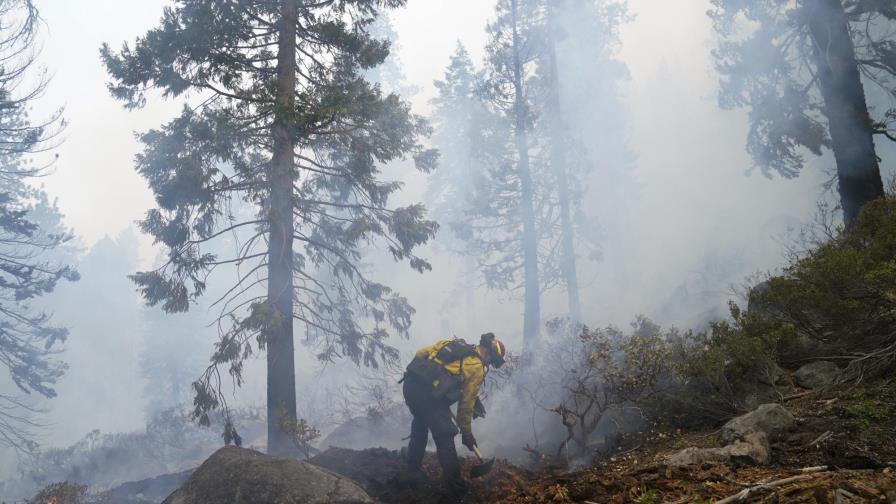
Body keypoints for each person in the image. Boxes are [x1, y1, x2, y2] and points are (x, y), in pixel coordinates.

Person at [401, 332, 506, 493]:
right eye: (491, 361)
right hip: (429, 397)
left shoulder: (454, 344)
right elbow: (466, 406)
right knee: (445, 434)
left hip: (410, 386)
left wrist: (431, 381)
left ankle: (411, 473)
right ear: (488, 354)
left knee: (420, 423)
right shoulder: (476, 367)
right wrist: (467, 434)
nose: (489, 364)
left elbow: (420, 353)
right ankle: (456, 489)